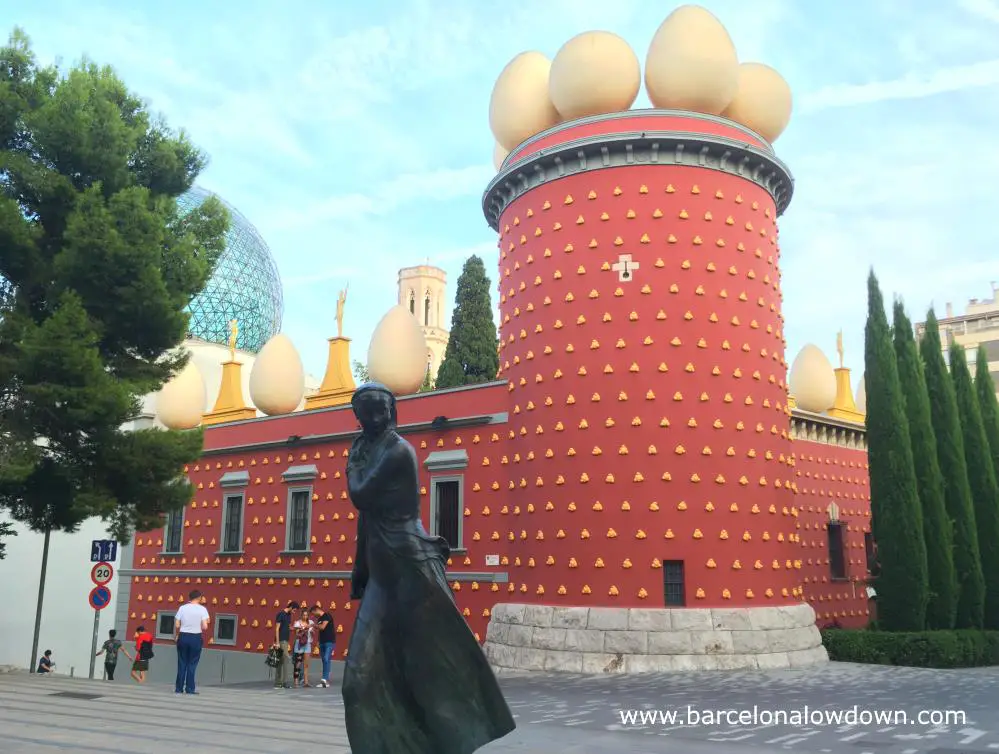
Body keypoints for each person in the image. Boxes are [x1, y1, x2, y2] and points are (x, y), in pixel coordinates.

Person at [342, 383, 515, 754]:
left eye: (379, 410)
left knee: (432, 674)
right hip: (382, 579)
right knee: (356, 681)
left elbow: (360, 495)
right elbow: (366, 522)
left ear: (390, 412)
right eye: (365, 412)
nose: (373, 418)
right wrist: (361, 571)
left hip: (411, 573)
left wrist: (352, 465)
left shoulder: (398, 451)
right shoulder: (368, 448)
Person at [174, 589, 210, 694]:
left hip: (183, 636)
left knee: (181, 662)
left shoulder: (182, 608)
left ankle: (178, 688)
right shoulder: (202, 609)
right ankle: (190, 689)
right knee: (192, 663)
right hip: (195, 637)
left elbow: (177, 624)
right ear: (199, 598)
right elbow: (205, 627)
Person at [272, 601, 298, 689]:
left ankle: (279, 683)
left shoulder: (289, 615)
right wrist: (277, 642)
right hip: (281, 640)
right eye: (294, 610)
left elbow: (287, 627)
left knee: (281, 661)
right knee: (286, 659)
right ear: (291, 607)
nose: (294, 612)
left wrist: (295, 628)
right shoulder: (281, 614)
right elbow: (277, 629)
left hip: (285, 640)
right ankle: (284, 682)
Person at [312, 604, 335, 688]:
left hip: (329, 641)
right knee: (324, 660)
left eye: (313, 613)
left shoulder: (327, 615)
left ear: (316, 610)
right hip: (322, 642)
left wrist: (313, 625)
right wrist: (318, 641)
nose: (313, 615)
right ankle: (325, 681)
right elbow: (320, 632)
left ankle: (325, 679)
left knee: (326, 658)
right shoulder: (319, 619)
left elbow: (322, 627)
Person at [292, 607, 315, 688]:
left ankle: (306, 682)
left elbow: (313, 634)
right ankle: (296, 682)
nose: (305, 617)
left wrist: (312, 632)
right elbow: (297, 635)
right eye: (304, 615)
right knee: (298, 663)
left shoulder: (311, 622)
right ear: (301, 615)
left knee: (306, 664)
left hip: (307, 644)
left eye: (306, 615)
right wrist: (304, 629)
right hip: (299, 644)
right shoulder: (297, 623)